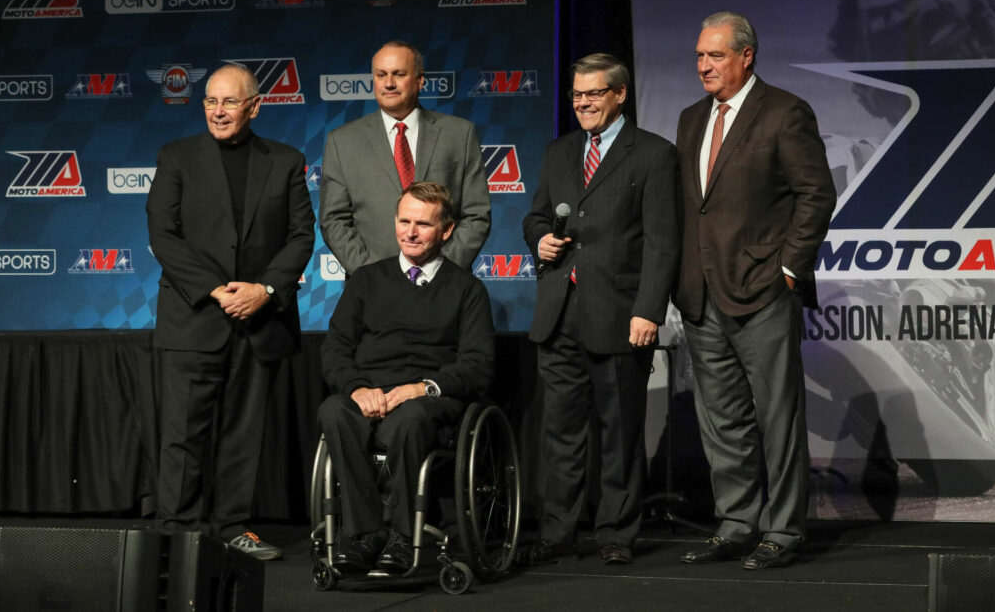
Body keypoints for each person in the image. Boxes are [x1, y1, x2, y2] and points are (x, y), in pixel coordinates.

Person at [673, 12, 836, 570]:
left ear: (746, 56)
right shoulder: (692, 118)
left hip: (762, 290)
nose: (703, 66)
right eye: (699, 56)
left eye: (715, 56)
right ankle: (737, 523)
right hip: (701, 293)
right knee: (721, 421)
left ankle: (784, 530)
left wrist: (788, 271)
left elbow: (816, 195)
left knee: (777, 418)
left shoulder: (785, 112)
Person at [146, 63, 315, 560]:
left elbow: (301, 236)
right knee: (182, 434)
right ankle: (178, 532)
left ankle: (232, 528)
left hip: (258, 321)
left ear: (255, 106)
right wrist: (218, 291)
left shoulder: (286, 161)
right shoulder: (175, 157)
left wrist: (264, 289)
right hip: (193, 317)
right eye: (211, 102)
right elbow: (163, 235)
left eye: (230, 102)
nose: (219, 111)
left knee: (243, 433)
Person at [521, 53, 679, 566]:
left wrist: (648, 310)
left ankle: (615, 531)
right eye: (576, 95)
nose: (583, 103)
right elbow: (536, 216)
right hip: (558, 311)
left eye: (593, 93)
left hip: (619, 314)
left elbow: (662, 242)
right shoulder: (559, 151)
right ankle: (559, 529)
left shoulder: (653, 154)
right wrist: (540, 238)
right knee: (561, 433)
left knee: (620, 431)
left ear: (619, 94)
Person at [318, 182, 495, 575]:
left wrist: (422, 388)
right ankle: (365, 534)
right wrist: (357, 388)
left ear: (446, 230)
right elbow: (335, 349)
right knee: (334, 411)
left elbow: (478, 365)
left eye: (423, 224)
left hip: (428, 396)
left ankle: (402, 535)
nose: (410, 232)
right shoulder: (366, 279)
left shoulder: (467, 289)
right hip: (369, 391)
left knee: (409, 419)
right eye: (404, 221)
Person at [319, 40, 490, 276]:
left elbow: (477, 213)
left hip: (445, 286)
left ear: (420, 80)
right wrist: (374, 276)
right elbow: (333, 220)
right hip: (373, 290)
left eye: (398, 74)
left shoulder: (459, 134)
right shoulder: (343, 141)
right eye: (381, 75)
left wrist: (440, 271)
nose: (389, 83)